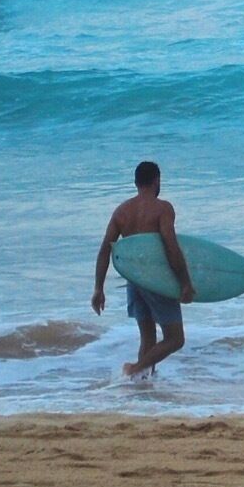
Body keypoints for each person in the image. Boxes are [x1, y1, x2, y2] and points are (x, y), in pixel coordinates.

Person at [93, 160, 194, 378]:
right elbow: (171, 246)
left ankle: (142, 386)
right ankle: (134, 370)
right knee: (175, 339)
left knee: (147, 339)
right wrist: (185, 282)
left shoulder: (122, 211)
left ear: (136, 182)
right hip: (156, 280)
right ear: (157, 181)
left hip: (134, 280)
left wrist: (98, 288)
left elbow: (105, 250)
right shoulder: (162, 208)